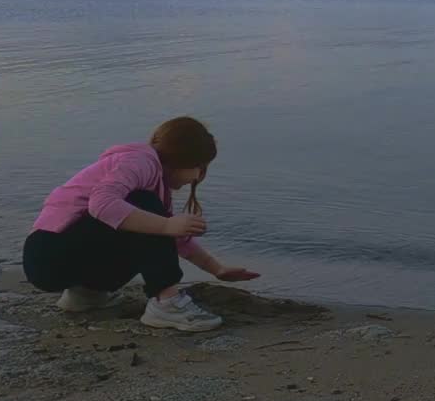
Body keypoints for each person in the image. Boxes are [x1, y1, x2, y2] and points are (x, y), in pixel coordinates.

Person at [22, 116, 259, 332]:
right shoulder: (140, 162)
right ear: (185, 158)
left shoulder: (154, 180)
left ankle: (85, 296)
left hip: (56, 259)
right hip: (47, 253)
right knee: (144, 206)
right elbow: (101, 204)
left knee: (147, 218)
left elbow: (173, 240)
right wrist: (167, 226)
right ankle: (166, 303)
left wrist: (216, 268)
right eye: (201, 167)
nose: (198, 177)